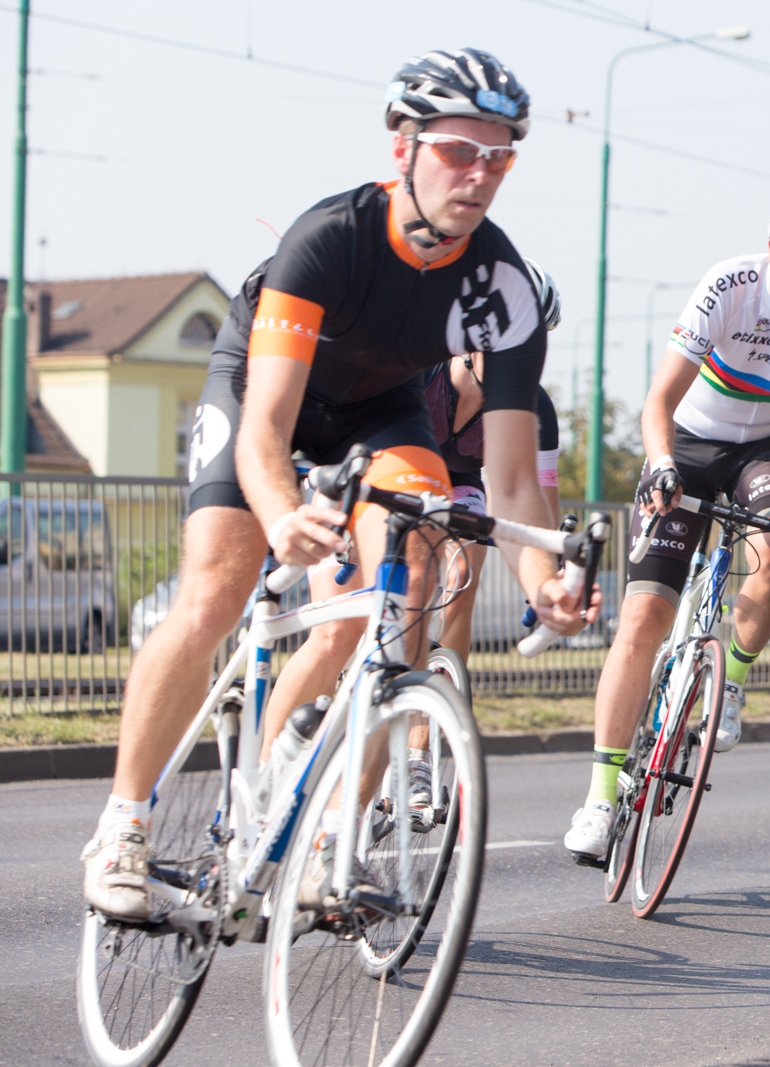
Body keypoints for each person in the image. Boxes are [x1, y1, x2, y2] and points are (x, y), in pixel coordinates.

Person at [82, 48, 594, 921]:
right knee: (213, 592)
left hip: (381, 407)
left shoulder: (501, 287)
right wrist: (282, 513)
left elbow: (510, 474)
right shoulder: (331, 238)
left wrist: (544, 583)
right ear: (403, 147)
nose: (480, 173)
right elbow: (267, 427)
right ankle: (122, 831)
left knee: (407, 592)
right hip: (262, 387)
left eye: (500, 154)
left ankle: (328, 844)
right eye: (459, 150)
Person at [563, 189, 770, 861]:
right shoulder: (728, 285)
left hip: (768, 451)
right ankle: (599, 795)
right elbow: (659, 398)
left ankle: (731, 679)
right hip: (689, 444)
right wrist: (662, 462)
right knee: (642, 618)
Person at [424, 259, 564, 661]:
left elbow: (540, 501)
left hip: (461, 479)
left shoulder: (535, 406)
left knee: (462, 578)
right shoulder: (426, 368)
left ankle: (437, 710)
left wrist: (546, 577)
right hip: (401, 469)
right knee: (411, 576)